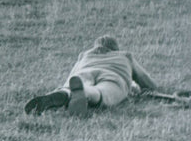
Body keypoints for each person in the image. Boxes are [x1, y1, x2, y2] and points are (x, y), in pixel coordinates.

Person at [24, 35, 158, 116]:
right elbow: (147, 82)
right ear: (116, 48)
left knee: (72, 86)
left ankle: (65, 94)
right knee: (102, 92)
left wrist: (67, 87)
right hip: (113, 77)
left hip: (85, 72)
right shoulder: (125, 56)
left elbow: (72, 76)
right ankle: (86, 93)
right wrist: (136, 88)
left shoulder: (84, 55)